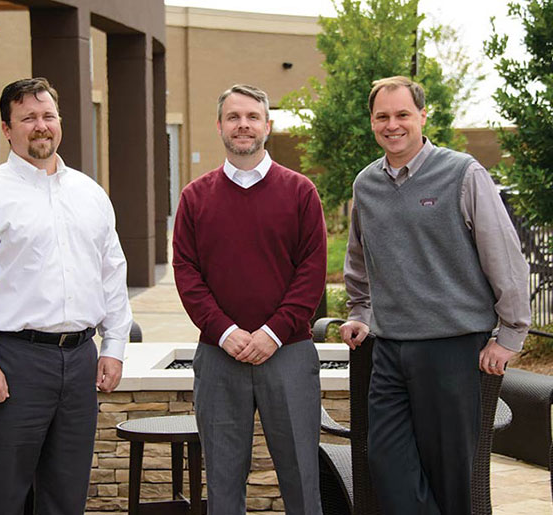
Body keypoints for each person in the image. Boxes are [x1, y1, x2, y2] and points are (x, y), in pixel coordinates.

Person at [0, 77, 132, 515]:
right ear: (7, 129)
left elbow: (111, 273)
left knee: (66, 497)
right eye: (28, 118)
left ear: (59, 122)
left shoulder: (90, 194)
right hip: (14, 363)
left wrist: (115, 345)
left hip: (81, 359)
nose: (40, 126)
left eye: (48, 116)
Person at [339, 76, 531, 515]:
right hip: (388, 350)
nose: (393, 125)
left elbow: (504, 256)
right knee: (385, 464)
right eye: (382, 116)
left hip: (453, 348)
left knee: (450, 476)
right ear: (371, 122)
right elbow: (360, 261)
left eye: (403, 114)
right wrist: (361, 312)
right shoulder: (365, 184)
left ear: (423, 116)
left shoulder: (462, 173)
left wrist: (510, 335)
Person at [172, 84, 327, 515]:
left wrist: (272, 334)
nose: (244, 125)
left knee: (301, 475)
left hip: (289, 354)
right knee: (222, 480)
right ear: (220, 125)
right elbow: (187, 274)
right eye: (234, 117)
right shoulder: (194, 197)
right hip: (220, 357)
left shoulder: (300, 193)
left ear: (267, 126)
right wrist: (225, 333)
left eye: (252, 117)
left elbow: (311, 274)